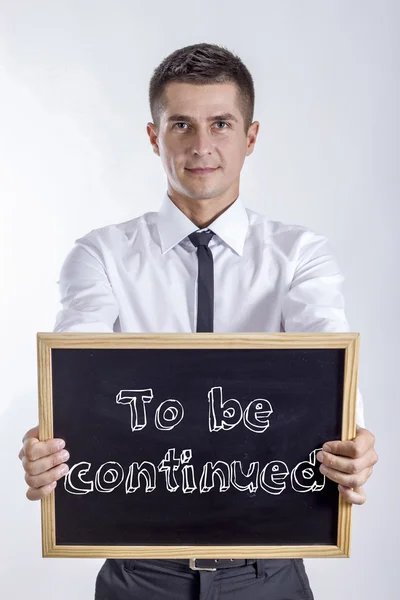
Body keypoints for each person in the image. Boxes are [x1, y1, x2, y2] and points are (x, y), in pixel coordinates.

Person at [18, 43, 378, 600]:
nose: (201, 146)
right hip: (141, 575)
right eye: (181, 124)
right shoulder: (101, 256)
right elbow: (73, 374)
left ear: (251, 137)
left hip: (268, 573)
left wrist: (355, 440)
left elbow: (328, 358)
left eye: (221, 124)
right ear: (153, 137)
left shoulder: (300, 255)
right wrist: (48, 441)